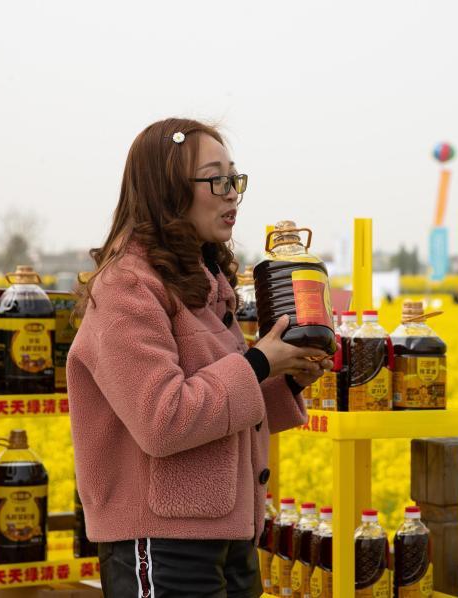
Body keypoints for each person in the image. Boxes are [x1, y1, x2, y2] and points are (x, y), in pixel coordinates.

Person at [67, 118, 331, 596]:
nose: (232, 194)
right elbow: (163, 419)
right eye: (216, 180)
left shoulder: (204, 285)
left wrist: (288, 374)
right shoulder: (127, 286)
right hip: (160, 541)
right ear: (166, 191)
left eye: (235, 179)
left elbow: (225, 417)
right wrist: (259, 364)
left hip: (230, 535)